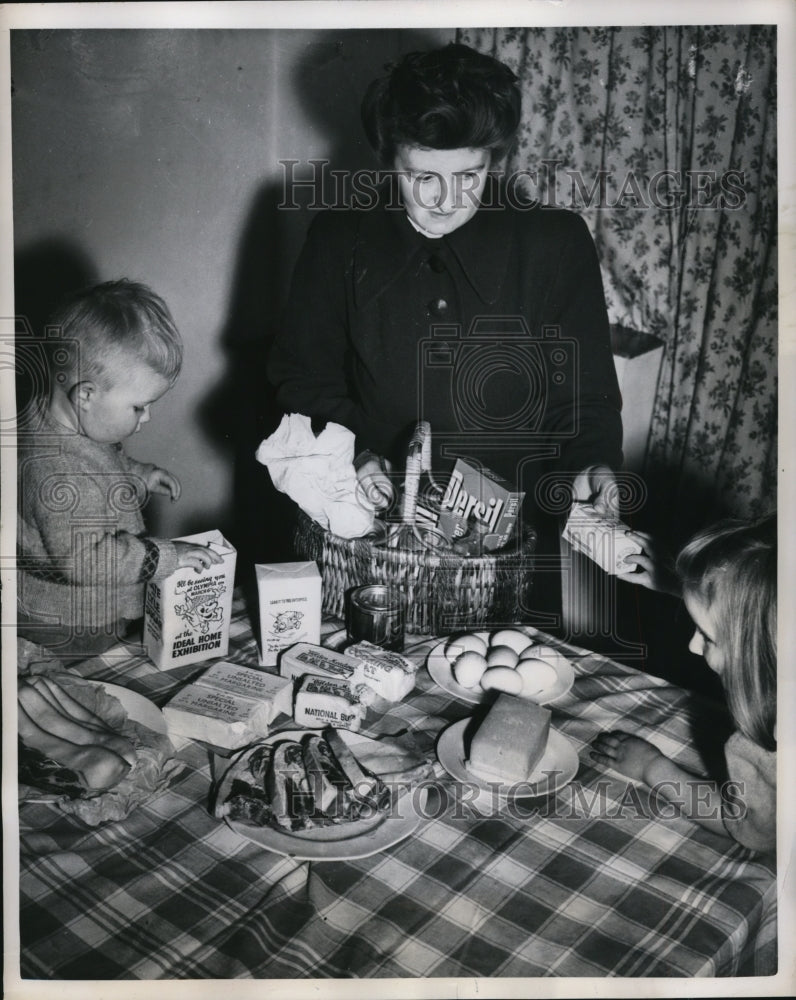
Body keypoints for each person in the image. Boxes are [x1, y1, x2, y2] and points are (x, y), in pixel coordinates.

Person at [267, 43, 623, 533]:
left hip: (512, 542)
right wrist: (356, 453)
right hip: (374, 531)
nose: (447, 200)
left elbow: (583, 399)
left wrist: (590, 465)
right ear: (387, 159)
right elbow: (305, 380)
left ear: (495, 162)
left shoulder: (555, 244)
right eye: (423, 176)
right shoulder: (339, 238)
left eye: (469, 175)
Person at [17, 279, 222, 658]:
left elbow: (99, 464)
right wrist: (167, 556)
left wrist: (137, 473)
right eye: (139, 407)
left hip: (78, 610)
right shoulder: (56, 470)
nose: (147, 417)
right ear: (87, 396)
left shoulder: (64, 424)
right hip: (70, 622)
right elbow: (84, 560)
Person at [592, 515, 776, 853]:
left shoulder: (771, 743)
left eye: (707, 637)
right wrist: (682, 586)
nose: (693, 646)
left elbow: (751, 828)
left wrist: (653, 768)